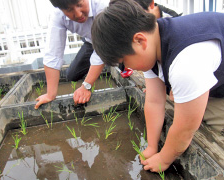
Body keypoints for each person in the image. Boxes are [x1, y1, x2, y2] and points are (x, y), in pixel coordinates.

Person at [91, 0, 224, 172]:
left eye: (124, 62)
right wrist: (152, 146)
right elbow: (154, 102)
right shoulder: (153, 41)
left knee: (207, 126)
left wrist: (164, 158)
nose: (128, 68)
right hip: (210, 74)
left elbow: (185, 129)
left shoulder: (186, 62)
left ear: (139, 40)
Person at [34, 0, 109, 109]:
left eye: (79, 5)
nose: (78, 14)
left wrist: (86, 86)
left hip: (114, 40)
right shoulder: (58, 16)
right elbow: (53, 54)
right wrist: (50, 94)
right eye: (69, 9)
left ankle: (121, 65)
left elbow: (103, 49)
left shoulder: (103, 7)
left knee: (120, 60)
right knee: (71, 75)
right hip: (91, 41)